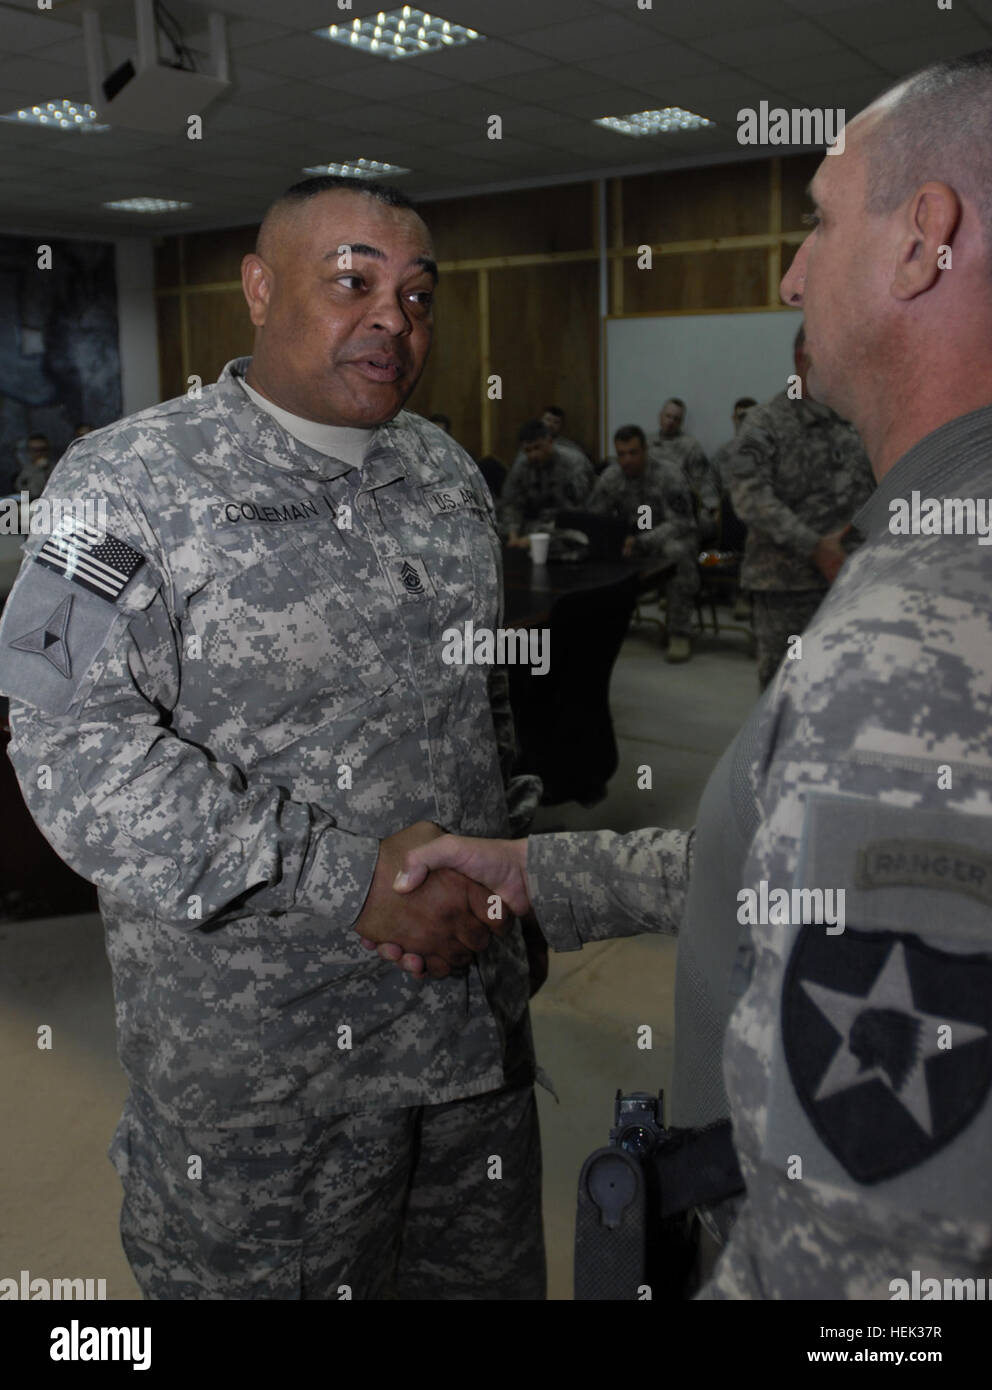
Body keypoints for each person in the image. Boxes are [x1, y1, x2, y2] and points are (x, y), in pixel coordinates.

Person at [370, 48, 992, 1300]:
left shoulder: (912, 637)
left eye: (817, 220)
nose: (788, 272)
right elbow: (785, 860)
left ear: (924, 240)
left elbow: (871, 1275)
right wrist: (536, 870)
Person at [0, 175, 546, 1301]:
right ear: (257, 288)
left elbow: (479, 710)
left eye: (417, 294)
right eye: (352, 282)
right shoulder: (117, 484)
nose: (392, 318)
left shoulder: (444, 474)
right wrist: (348, 879)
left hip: (463, 1035)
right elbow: (63, 744)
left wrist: (508, 881)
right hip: (268, 1075)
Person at [725, 326, 874, 688]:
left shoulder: (855, 422)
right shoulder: (764, 423)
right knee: (784, 695)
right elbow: (749, 496)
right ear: (802, 359)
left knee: (845, 689)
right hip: (786, 589)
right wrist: (815, 547)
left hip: (849, 583)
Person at [588, 425, 699, 663]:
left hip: (667, 536)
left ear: (646, 450)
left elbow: (682, 522)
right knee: (597, 552)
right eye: (621, 454)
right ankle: (605, 624)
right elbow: (595, 518)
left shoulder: (669, 474)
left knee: (677, 552)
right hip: (631, 539)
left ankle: (679, 632)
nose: (626, 460)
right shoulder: (611, 477)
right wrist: (612, 540)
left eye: (633, 452)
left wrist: (642, 541)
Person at [500, 418, 594, 547]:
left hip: (566, 525)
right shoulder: (521, 466)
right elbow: (512, 504)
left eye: (537, 447)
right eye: (527, 450)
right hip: (532, 524)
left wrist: (535, 538)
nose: (533, 455)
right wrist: (513, 536)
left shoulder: (574, 464)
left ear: (550, 441)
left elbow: (581, 508)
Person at [648, 398, 721, 542]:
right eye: (668, 416)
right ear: (660, 416)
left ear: (681, 423)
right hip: (649, 507)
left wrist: (713, 508)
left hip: (679, 507)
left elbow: (703, 481)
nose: (670, 422)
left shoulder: (690, 446)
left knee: (701, 527)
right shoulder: (646, 443)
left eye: (676, 419)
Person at [710, 397, 757, 484]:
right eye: (741, 417)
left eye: (750, 417)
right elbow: (709, 486)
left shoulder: (771, 453)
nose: (746, 422)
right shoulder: (722, 454)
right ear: (733, 419)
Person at [15, 432, 53, 501]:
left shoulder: (57, 468)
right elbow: (29, 492)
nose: (39, 453)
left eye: (42, 449)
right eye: (35, 450)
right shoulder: (23, 470)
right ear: (29, 451)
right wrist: (38, 469)